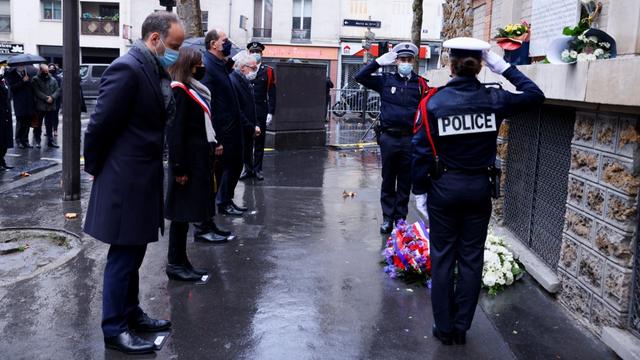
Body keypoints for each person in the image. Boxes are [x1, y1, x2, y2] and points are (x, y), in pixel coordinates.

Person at [412, 37, 545, 345]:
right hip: (478, 188)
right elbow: (535, 95)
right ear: (481, 65)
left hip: (443, 187)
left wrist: (420, 191)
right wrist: (504, 68)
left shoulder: (432, 101)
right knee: (471, 258)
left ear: (450, 64)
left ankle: (444, 328)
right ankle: (461, 327)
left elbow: (419, 151)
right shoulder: (494, 99)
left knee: (443, 256)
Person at [83, 12, 184, 354]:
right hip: (125, 179)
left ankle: (130, 312)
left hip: (140, 178)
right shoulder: (128, 68)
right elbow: (99, 125)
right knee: (123, 256)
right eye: (174, 46)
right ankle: (114, 328)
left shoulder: (152, 68)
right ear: (154, 39)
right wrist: (94, 166)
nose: (177, 53)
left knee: (135, 251)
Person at [355, 42, 429, 234]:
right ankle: (387, 218)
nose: (405, 62)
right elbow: (360, 76)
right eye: (402, 59)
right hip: (389, 137)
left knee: (405, 181)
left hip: (409, 139)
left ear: (413, 61)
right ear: (396, 61)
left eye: (408, 60)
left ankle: (400, 219)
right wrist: (377, 62)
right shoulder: (385, 80)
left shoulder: (420, 84)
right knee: (388, 179)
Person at [165, 47, 216, 281]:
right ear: (189, 66)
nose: (201, 67)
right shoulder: (180, 91)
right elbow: (176, 133)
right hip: (187, 164)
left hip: (196, 161)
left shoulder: (191, 89)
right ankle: (175, 264)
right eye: (198, 64)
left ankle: (182, 261)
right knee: (181, 216)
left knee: (185, 216)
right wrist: (179, 168)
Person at [202, 29, 247, 217]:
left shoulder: (219, 65)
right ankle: (208, 216)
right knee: (218, 174)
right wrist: (216, 139)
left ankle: (226, 201)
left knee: (235, 165)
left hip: (232, 130)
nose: (228, 43)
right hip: (222, 133)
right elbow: (209, 105)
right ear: (213, 44)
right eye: (225, 40)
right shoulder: (208, 66)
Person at [241, 41, 276, 181]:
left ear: (262, 54)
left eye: (258, 52)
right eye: (252, 52)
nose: (255, 54)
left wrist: (271, 112)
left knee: (260, 141)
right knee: (246, 141)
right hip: (247, 110)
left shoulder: (268, 70)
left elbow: (272, 92)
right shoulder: (244, 68)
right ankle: (247, 169)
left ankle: (258, 169)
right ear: (249, 53)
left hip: (261, 109)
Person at [230, 52, 261, 182]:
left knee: (248, 153)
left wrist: (256, 124)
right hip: (241, 129)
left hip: (248, 128)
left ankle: (250, 169)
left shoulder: (245, 80)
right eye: (253, 68)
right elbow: (238, 110)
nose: (255, 71)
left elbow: (251, 106)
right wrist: (251, 127)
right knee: (234, 166)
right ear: (243, 67)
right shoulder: (234, 81)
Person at [6, 64, 35, 149]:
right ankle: (18, 141)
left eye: (23, 65)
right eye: (20, 65)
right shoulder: (12, 75)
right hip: (19, 102)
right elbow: (12, 88)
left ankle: (25, 140)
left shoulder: (26, 74)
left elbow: (30, 87)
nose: (22, 66)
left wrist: (28, 81)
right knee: (20, 122)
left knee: (27, 122)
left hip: (28, 102)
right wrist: (23, 81)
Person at [31, 64, 60, 148]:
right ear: (40, 70)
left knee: (49, 124)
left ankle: (50, 141)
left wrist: (52, 97)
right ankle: (38, 141)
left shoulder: (53, 79)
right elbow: (36, 91)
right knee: (38, 125)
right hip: (39, 106)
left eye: (47, 71)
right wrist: (46, 98)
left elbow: (57, 90)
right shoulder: (35, 79)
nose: (47, 72)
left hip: (50, 106)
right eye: (45, 71)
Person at [0, 67, 13, 170]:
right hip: (1, 113)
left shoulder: (5, 80)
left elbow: (9, 94)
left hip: (6, 113)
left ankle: (1, 160)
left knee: (5, 139)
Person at [48, 63, 62, 137]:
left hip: (56, 100)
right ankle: (49, 130)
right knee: (48, 116)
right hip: (47, 100)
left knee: (55, 116)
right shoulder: (46, 77)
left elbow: (59, 89)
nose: (51, 69)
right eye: (50, 68)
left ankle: (55, 130)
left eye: (53, 68)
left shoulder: (58, 78)